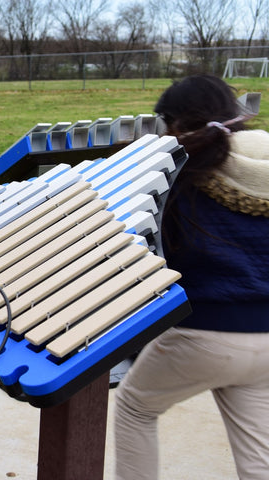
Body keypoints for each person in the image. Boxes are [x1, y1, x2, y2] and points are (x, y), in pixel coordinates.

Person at [114, 74, 269, 479]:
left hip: (204, 333)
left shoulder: (182, 176)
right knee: (258, 457)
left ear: (175, 123)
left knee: (134, 408)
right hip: (266, 341)